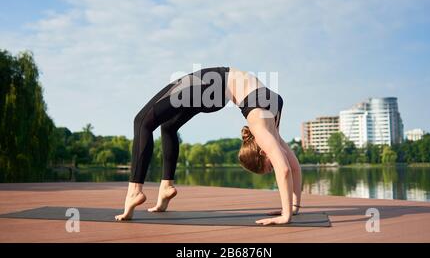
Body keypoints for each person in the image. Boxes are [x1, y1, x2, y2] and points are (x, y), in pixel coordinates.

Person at [115, 67, 302, 225]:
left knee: (142, 121)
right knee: (166, 126)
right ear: (262, 151)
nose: (274, 166)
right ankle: (165, 188)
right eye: (270, 167)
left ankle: (135, 192)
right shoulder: (263, 129)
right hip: (214, 85)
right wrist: (291, 209)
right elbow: (288, 167)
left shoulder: (264, 125)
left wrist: (287, 214)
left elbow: (287, 168)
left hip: (214, 86)